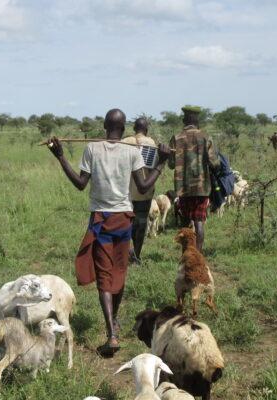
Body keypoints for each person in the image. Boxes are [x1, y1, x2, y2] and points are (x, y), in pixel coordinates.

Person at [47, 109, 169, 356]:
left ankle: (111, 334)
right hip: (124, 219)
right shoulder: (132, 152)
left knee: (104, 276)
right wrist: (162, 162)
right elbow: (145, 186)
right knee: (119, 272)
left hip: (101, 220)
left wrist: (60, 157)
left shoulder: (92, 149)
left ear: (104, 126)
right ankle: (112, 322)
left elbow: (81, 184)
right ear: (124, 129)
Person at [168, 105, 220, 251]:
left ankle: (186, 254)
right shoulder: (205, 137)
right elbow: (215, 164)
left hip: (183, 187)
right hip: (201, 187)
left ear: (185, 119)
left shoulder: (176, 138)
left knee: (185, 221)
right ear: (197, 120)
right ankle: (198, 254)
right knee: (199, 222)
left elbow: (171, 164)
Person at [122, 117, 156, 265]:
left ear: (134, 129)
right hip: (144, 192)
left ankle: (124, 254)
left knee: (126, 224)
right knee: (141, 224)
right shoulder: (151, 143)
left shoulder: (124, 142)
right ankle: (136, 255)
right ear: (146, 130)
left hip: (126, 192)